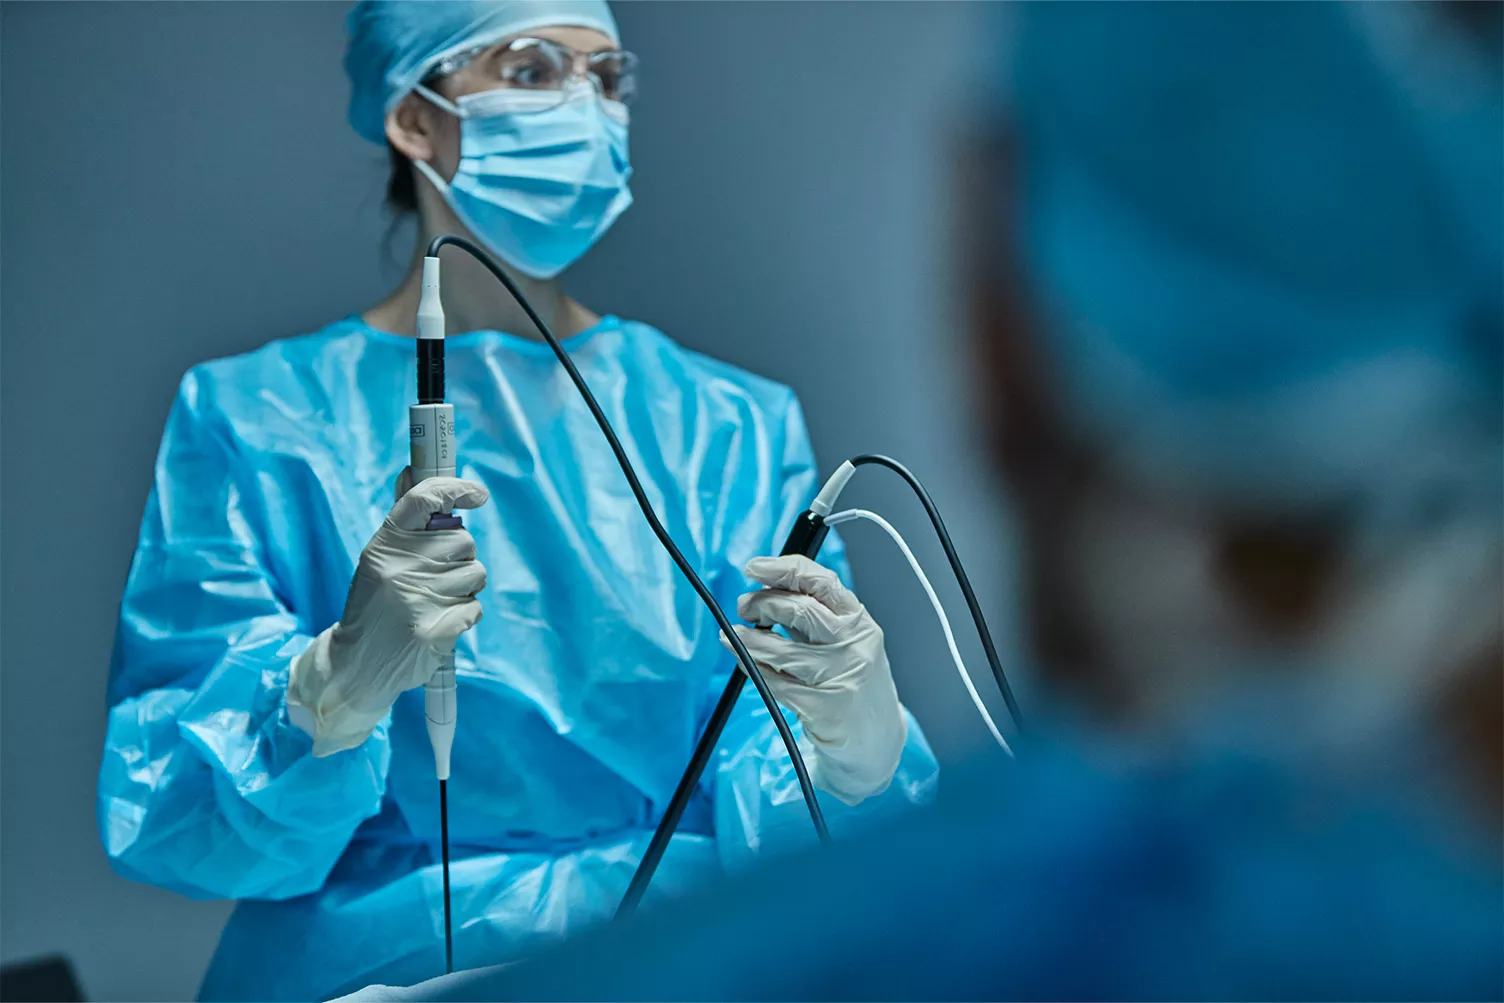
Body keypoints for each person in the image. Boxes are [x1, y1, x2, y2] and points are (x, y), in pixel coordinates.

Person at [96, 2, 937, 1000]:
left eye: (608, 78)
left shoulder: (726, 423)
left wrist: (852, 750)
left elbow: (773, 759)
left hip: (676, 961)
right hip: (370, 970)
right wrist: (338, 683)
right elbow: (177, 817)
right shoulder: (256, 419)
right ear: (416, 118)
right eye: (534, 69)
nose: (586, 108)